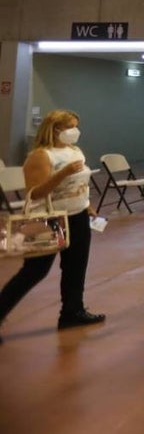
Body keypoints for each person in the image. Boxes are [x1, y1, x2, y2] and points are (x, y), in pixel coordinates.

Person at [0, 110, 104, 343]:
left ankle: (72, 312)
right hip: (49, 219)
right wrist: (63, 173)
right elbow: (35, 193)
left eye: (76, 126)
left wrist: (86, 205)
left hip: (77, 215)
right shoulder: (40, 155)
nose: (75, 131)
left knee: (76, 267)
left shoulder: (75, 151)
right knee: (34, 271)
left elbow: (79, 183)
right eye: (70, 127)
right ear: (55, 129)